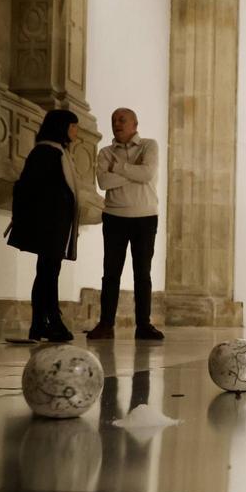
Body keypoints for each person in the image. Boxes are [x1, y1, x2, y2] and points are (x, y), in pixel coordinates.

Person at [87, 108, 164, 341]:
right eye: (113, 120)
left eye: (122, 120)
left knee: (142, 273)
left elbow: (148, 174)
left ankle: (143, 325)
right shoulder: (105, 152)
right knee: (111, 273)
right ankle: (106, 324)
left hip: (145, 217)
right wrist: (133, 171)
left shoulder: (149, 146)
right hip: (114, 217)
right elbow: (103, 182)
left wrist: (118, 167)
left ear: (135, 124)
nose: (116, 124)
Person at [6, 109, 81, 342]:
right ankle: (49, 321)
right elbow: (34, 187)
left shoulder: (57, 151)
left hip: (55, 224)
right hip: (48, 224)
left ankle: (42, 323)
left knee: (49, 272)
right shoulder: (46, 152)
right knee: (47, 273)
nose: (76, 131)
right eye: (73, 126)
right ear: (63, 127)